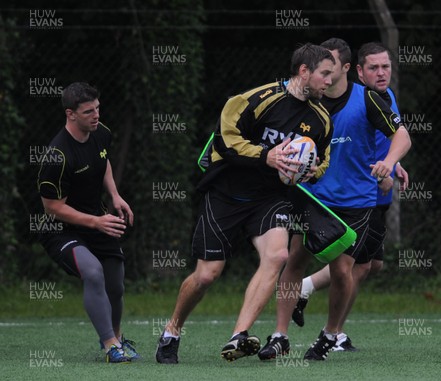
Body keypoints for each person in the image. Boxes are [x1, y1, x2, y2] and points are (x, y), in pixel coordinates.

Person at [155, 43, 335, 364]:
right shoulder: (255, 100)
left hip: (269, 198)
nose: (329, 82)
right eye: (324, 74)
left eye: (332, 76)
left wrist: (308, 170)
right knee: (207, 275)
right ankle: (172, 330)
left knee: (278, 254)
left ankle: (238, 335)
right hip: (227, 193)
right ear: (304, 72)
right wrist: (268, 155)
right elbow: (225, 141)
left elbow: (321, 163)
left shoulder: (321, 119)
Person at [258, 39, 411, 361]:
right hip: (311, 194)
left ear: (345, 69)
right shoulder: (304, 101)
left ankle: (330, 334)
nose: (324, 77)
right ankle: (280, 334)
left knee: (343, 269)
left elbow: (402, 135)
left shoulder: (368, 99)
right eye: (320, 71)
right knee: (295, 258)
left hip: (355, 199)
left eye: (330, 70)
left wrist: (391, 162)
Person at [36, 82, 138, 363]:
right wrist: (95, 222)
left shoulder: (100, 132)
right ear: (71, 114)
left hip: (98, 219)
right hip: (61, 228)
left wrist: (115, 195)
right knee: (93, 272)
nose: (96, 115)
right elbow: (52, 207)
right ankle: (109, 347)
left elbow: (103, 160)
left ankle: (117, 338)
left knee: (115, 283)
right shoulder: (57, 156)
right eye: (88, 111)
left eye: (98, 108)